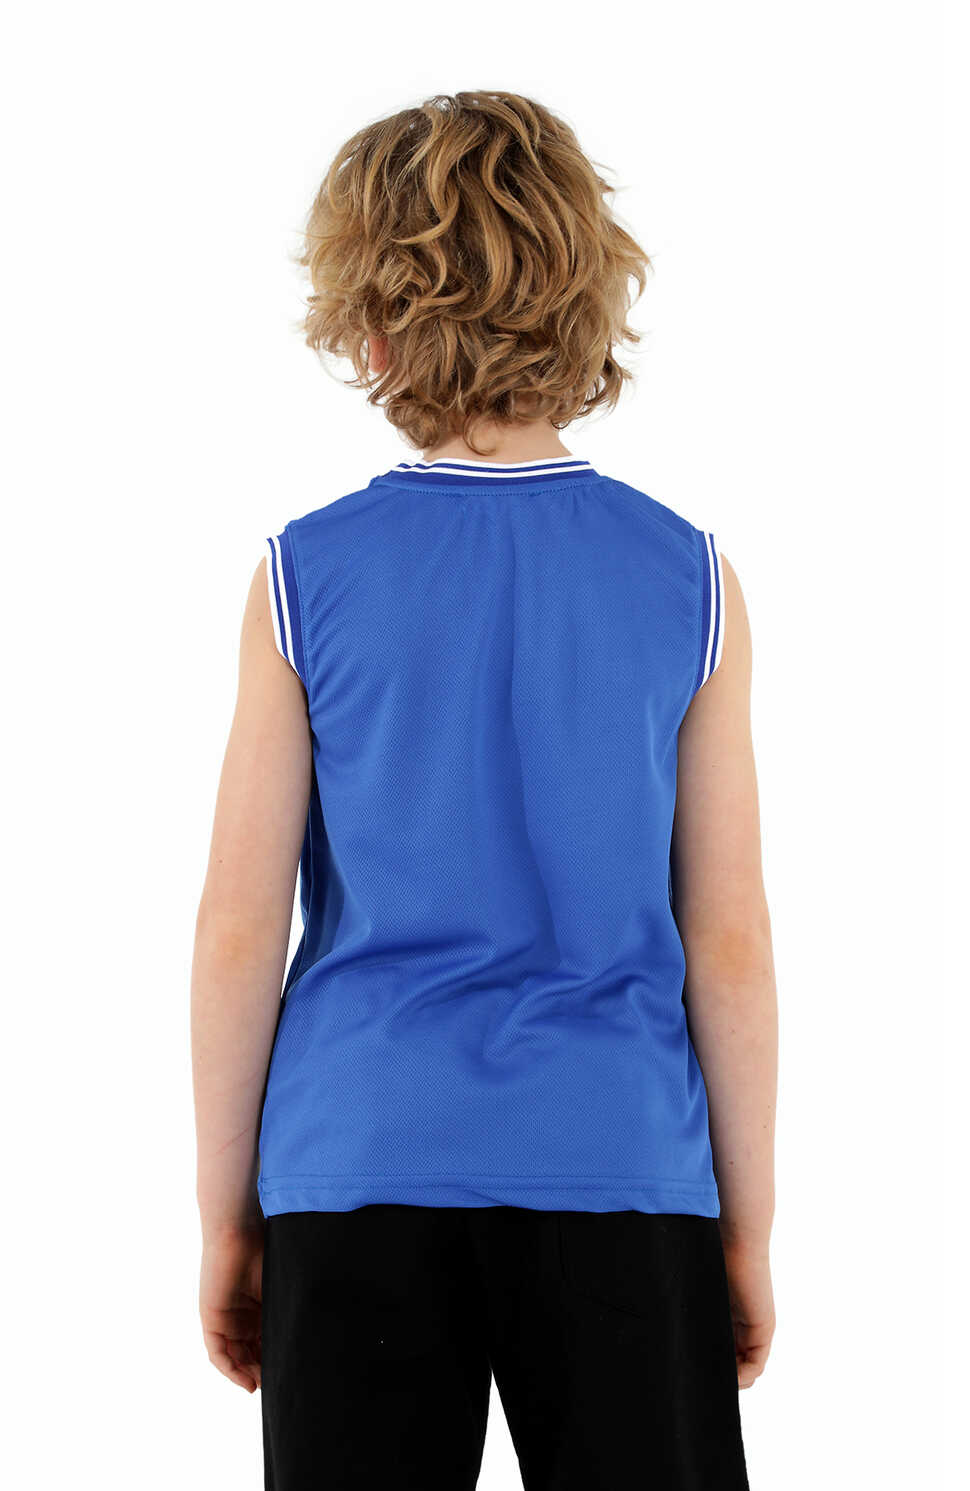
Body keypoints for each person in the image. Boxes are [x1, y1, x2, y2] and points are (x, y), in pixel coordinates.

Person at [191, 90, 777, 1491]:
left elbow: (238, 931)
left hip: (360, 1153)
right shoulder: (688, 578)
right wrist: (744, 1230)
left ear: (369, 318)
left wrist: (227, 1215)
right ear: (588, 293)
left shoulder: (303, 576)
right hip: (622, 1159)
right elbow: (730, 942)